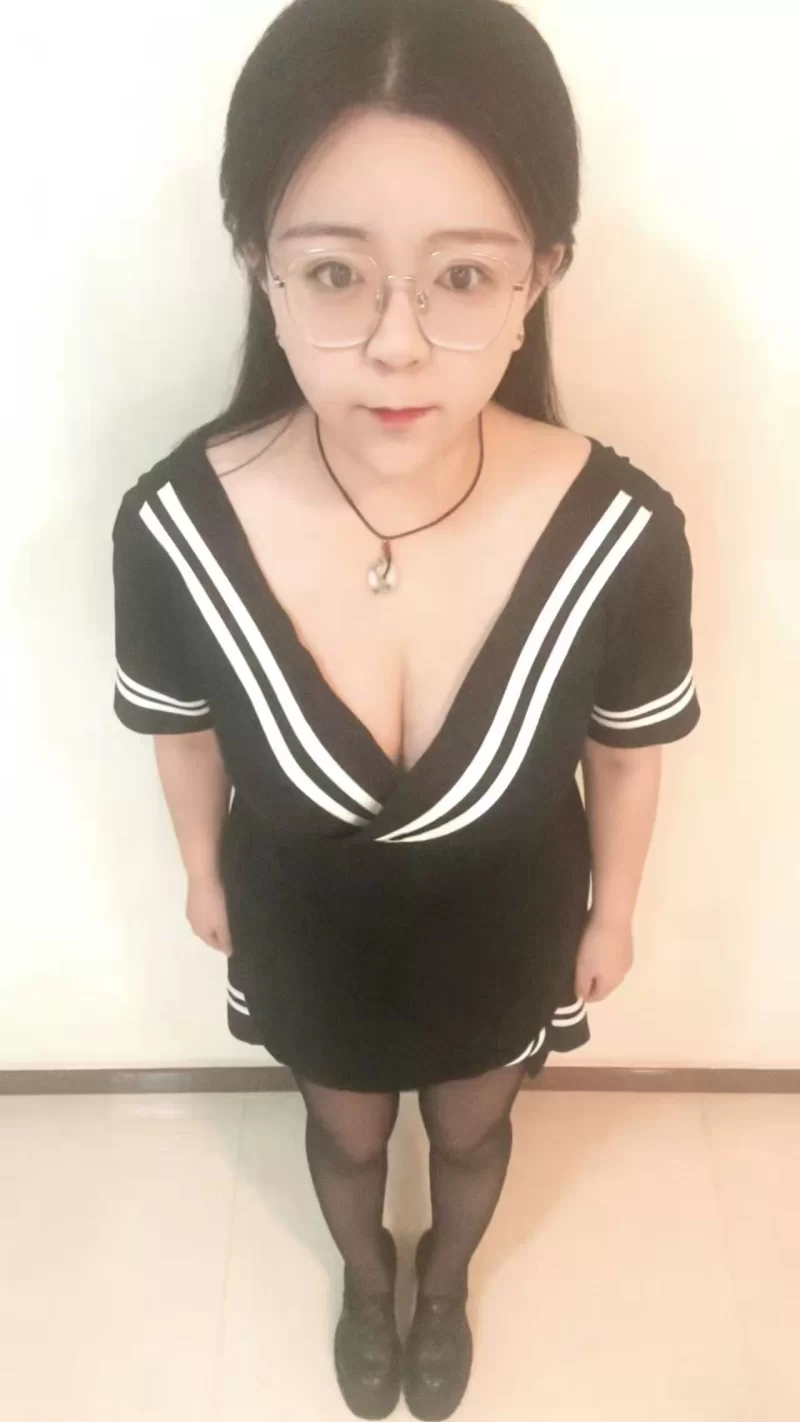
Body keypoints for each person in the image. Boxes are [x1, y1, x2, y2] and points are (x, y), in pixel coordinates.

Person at [110, 1, 701, 1416]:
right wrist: (201, 871)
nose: (396, 345)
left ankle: (446, 1288)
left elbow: (628, 750)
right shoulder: (176, 525)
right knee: (349, 1134)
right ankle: (368, 1285)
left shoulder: (623, 531)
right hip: (304, 927)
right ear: (259, 264)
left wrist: (616, 911)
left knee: (476, 1130)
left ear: (540, 273)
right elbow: (180, 725)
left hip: (510, 925)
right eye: (335, 272)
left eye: (463, 275)